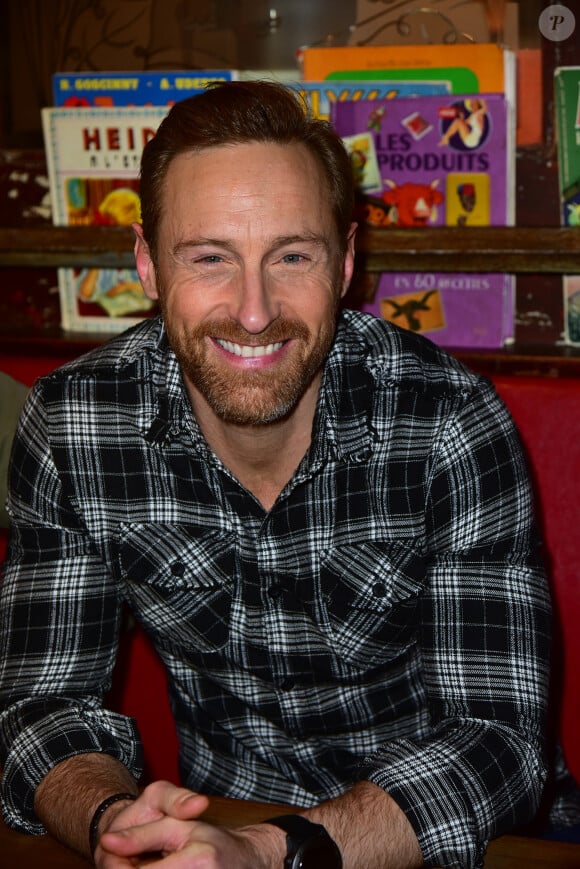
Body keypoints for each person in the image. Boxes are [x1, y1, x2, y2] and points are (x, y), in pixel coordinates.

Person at [0, 80, 567, 868]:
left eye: (292, 255)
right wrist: (117, 823)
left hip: (446, 839)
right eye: (210, 259)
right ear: (148, 266)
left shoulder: (449, 421)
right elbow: (39, 704)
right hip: (217, 821)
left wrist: (269, 851)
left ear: (345, 263)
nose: (256, 309)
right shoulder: (72, 425)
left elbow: (500, 742)